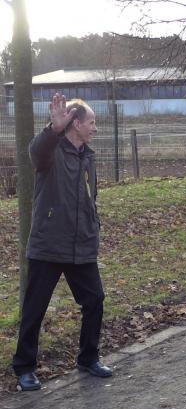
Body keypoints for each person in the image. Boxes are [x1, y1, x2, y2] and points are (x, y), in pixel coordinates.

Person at [12, 93, 113, 392]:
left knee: (94, 300)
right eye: (91, 122)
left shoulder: (88, 156)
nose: (95, 128)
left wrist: (93, 225)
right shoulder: (51, 151)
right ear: (76, 124)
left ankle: (88, 358)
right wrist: (53, 129)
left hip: (81, 244)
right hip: (49, 244)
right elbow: (36, 151)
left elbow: (90, 198)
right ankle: (24, 368)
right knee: (35, 309)